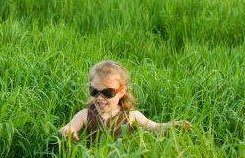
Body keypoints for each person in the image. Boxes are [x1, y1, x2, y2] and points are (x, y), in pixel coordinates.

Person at [60, 60, 192, 143]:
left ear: (121, 92)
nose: (100, 97)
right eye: (94, 91)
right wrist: (68, 130)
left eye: (107, 93)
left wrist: (172, 125)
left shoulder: (130, 115)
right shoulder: (85, 114)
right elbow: (71, 126)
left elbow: (155, 128)